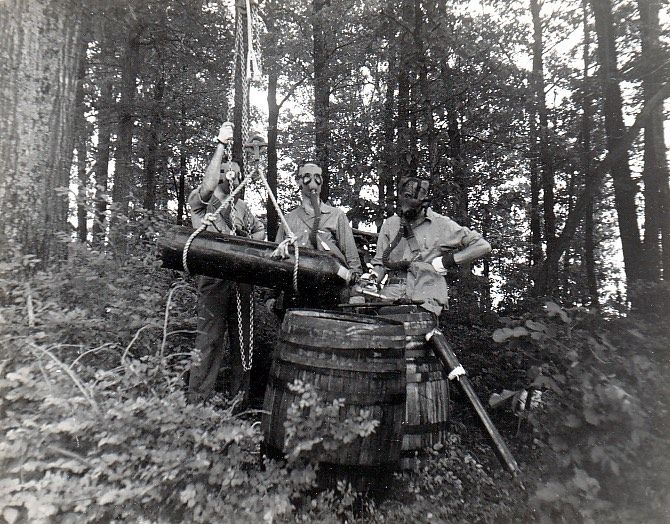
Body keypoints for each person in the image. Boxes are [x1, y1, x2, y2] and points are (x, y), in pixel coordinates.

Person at [187, 122, 265, 404]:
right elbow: (208, 186)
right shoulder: (201, 204)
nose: (231, 174)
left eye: (236, 172)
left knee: (243, 343)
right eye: (225, 170)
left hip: (241, 281)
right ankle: (197, 404)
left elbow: (260, 232)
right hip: (214, 279)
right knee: (208, 341)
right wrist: (221, 144)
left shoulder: (243, 209)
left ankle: (239, 405)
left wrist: (247, 237)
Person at [363, 176, 491, 316]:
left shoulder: (440, 224)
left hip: (425, 295)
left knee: (416, 328)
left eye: (412, 203)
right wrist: (372, 279)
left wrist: (447, 261)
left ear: (423, 202)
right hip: (391, 295)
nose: (406, 209)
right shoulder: (391, 224)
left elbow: (482, 245)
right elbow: (381, 263)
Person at [271, 162, 362, 309]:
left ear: (322, 181)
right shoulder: (288, 220)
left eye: (317, 176)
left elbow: (352, 257)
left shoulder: (336, 216)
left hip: (331, 291)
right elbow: (276, 259)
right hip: (297, 291)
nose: (313, 181)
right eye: (307, 176)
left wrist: (356, 293)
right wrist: (272, 296)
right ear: (298, 181)